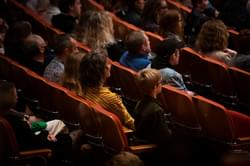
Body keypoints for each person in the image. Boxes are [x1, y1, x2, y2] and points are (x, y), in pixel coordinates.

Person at [0, 80, 72, 162]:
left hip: (27, 142)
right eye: (15, 94)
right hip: (32, 150)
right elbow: (34, 141)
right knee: (66, 139)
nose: (17, 96)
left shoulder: (5, 114)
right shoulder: (15, 122)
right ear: (8, 98)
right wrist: (49, 135)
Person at [79, 49, 135, 129]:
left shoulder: (82, 89)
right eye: (107, 64)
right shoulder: (111, 98)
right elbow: (130, 123)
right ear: (102, 71)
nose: (110, 65)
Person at [134, 68, 172, 145]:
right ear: (155, 87)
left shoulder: (139, 103)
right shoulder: (156, 110)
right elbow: (164, 138)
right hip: (152, 149)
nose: (162, 84)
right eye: (160, 82)